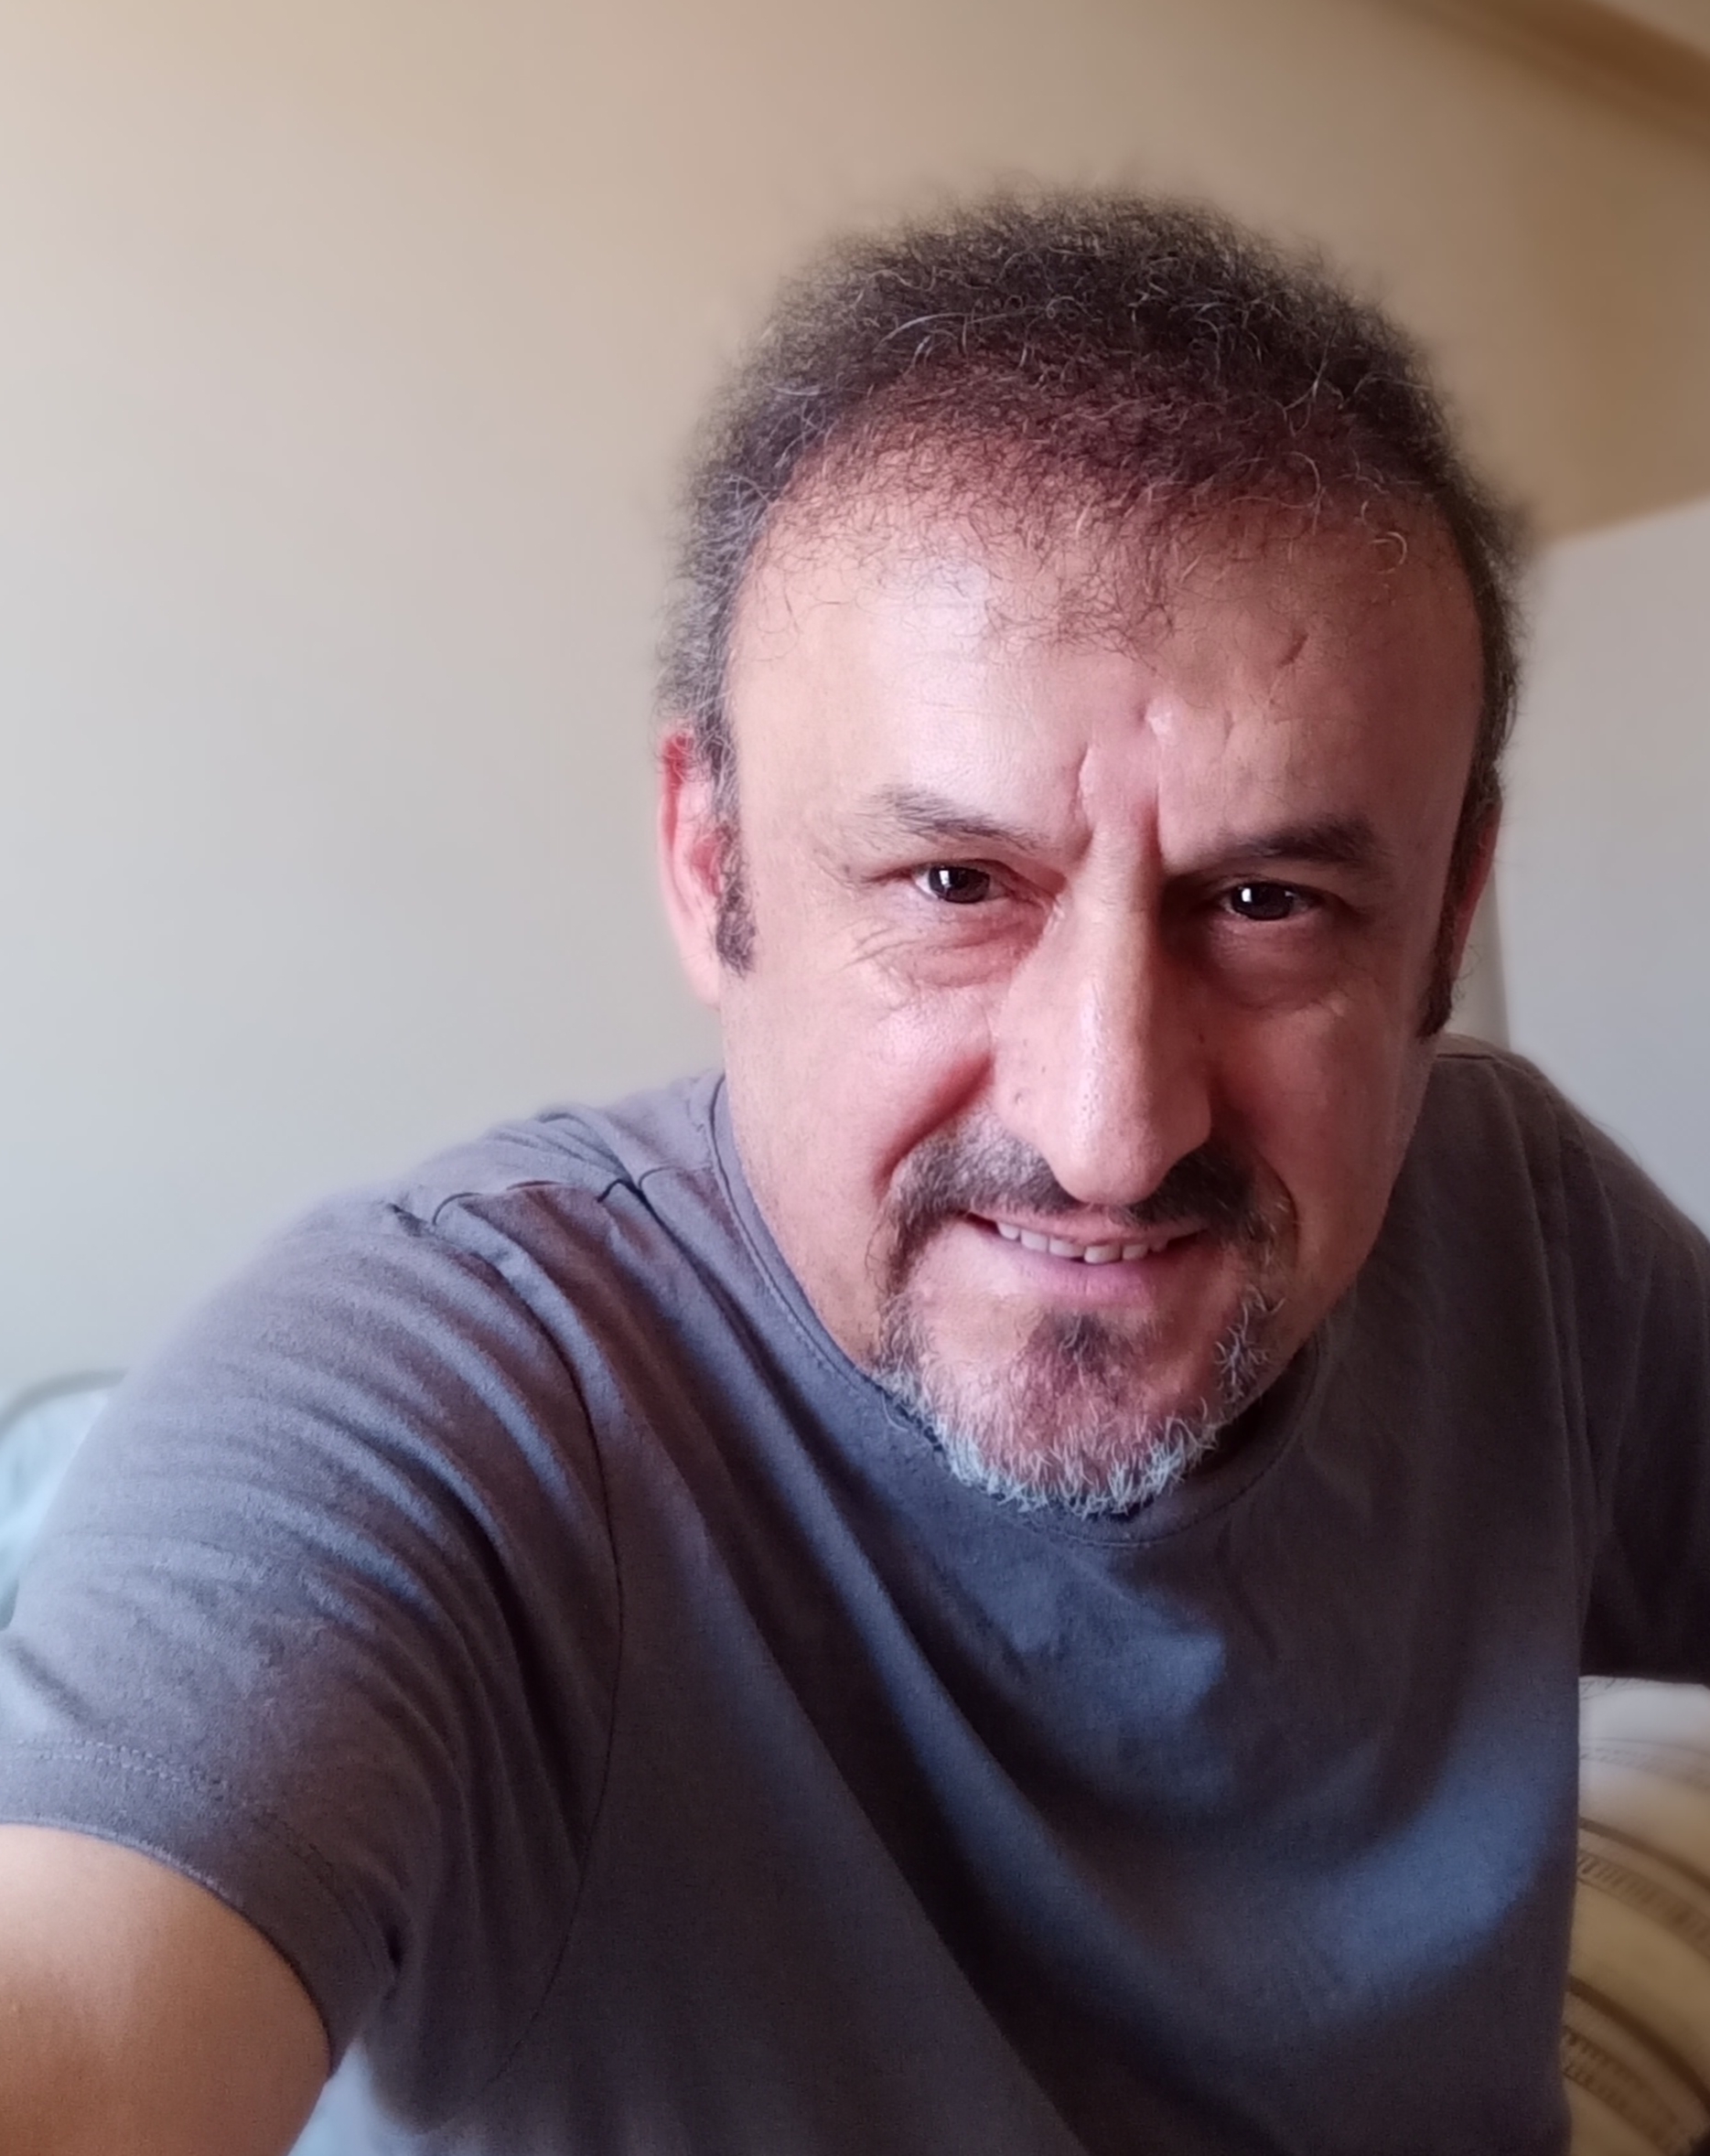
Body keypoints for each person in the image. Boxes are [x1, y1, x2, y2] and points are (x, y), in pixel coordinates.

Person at [2, 192, 1706, 2156]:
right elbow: (81, 1999)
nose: (1110, 1131)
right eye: (954, 883)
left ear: (1446, 917)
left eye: (1266, 902)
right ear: (709, 865)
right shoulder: (443, 1391)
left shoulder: (1518, 1228)